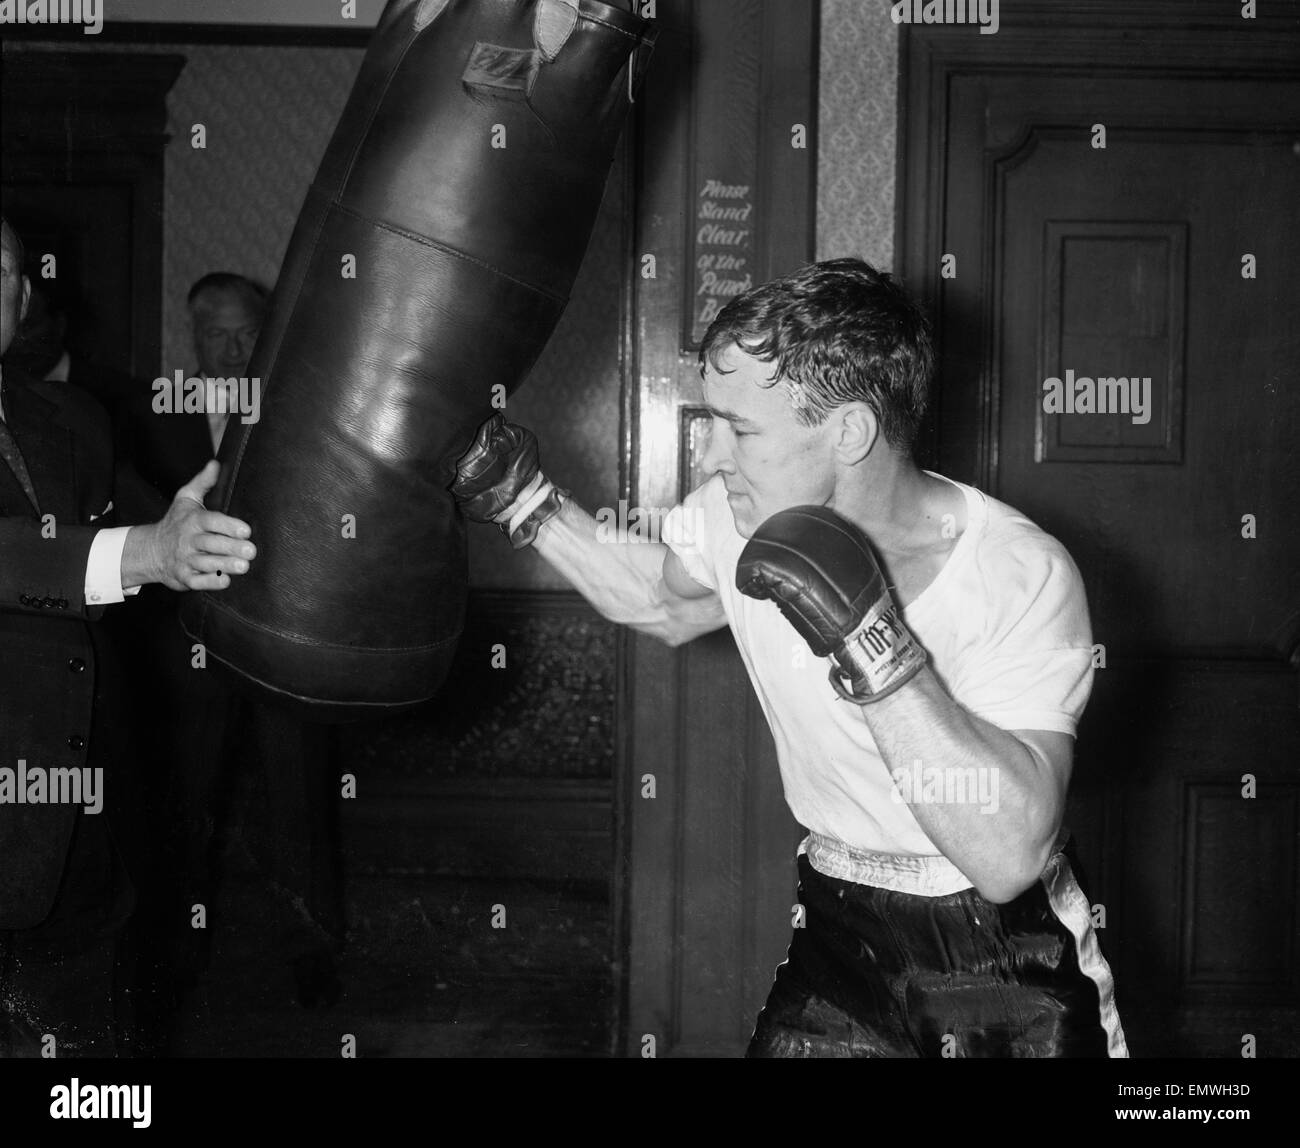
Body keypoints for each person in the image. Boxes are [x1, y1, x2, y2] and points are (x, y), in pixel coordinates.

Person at [452, 257, 1127, 1058]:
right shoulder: (733, 515)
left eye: (740, 431)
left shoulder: (1019, 572)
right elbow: (664, 601)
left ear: (848, 430)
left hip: (1005, 960)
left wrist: (870, 636)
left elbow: (1008, 857)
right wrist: (522, 496)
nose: (708, 457)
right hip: (839, 935)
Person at [0, 217, 258, 1056]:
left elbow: (169, 529)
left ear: (22, 294)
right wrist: (149, 552)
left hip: (71, 843)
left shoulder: (71, 417)